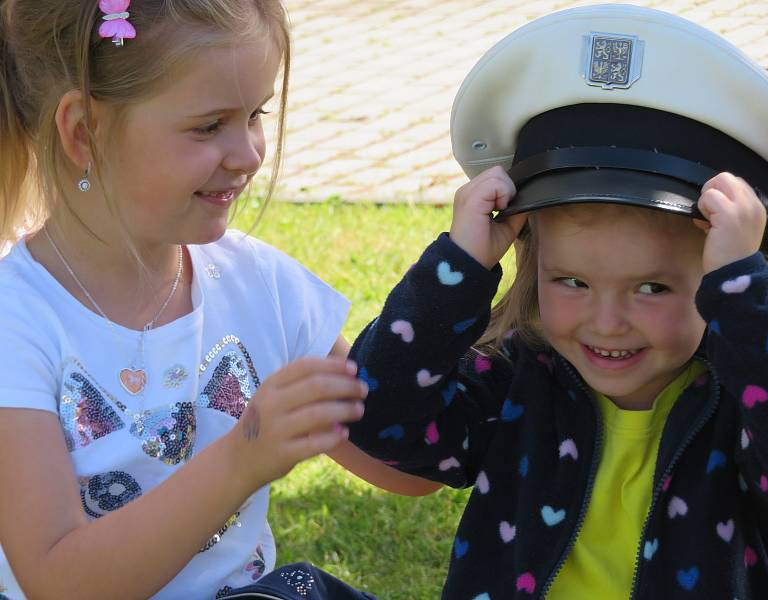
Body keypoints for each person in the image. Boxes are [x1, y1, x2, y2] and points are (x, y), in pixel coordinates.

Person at [346, 4, 768, 598]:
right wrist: (456, 269)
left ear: (719, 279)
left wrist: (745, 296)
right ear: (532, 266)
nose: (606, 323)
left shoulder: (744, 398)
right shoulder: (514, 381)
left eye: (652, 287)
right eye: (572, 283)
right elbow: (379, 418)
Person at [0, 1, 439, 599]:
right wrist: (241, 459)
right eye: (209, 126)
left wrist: (466, 277)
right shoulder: (16, 323)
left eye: (255, 114)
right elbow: (59, 581)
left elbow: (405, 466)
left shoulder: (260, 286)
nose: (250, 153)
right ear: (84, 132)